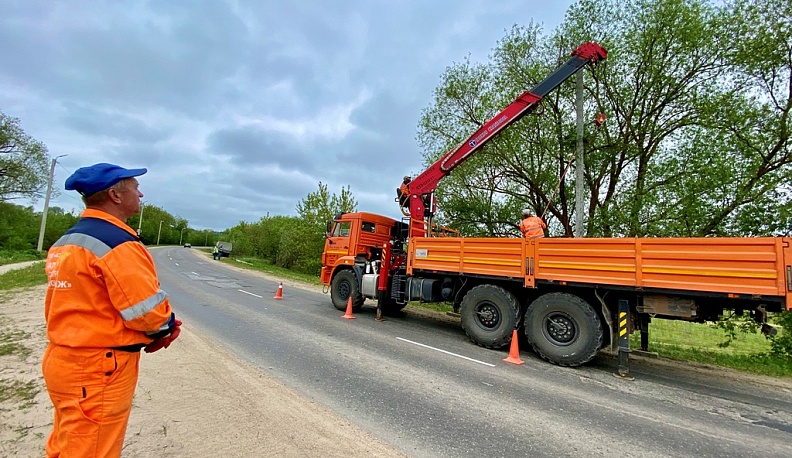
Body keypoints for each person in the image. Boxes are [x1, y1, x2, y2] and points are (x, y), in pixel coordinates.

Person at [42, 163, 182, 458]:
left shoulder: (66, 241)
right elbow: (147, 313)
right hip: (99, 367)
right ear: (115, 195)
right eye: (135, 187)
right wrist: (166, 327)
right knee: (93, 450)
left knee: (68, 443)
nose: (141, 194)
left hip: (64, 359)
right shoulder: (117, 243)